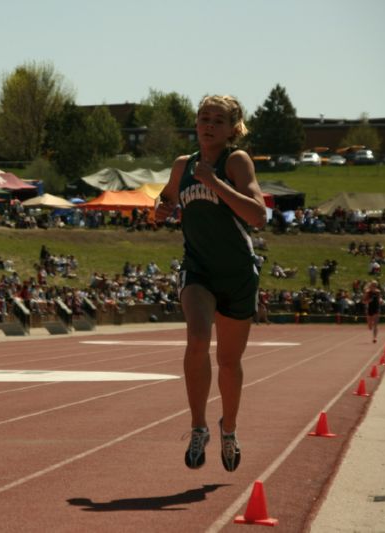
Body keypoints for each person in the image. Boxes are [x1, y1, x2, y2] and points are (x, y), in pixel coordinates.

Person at [154, 94, 266, 472]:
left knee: (229, 362)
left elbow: (258, 215)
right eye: (204, 118)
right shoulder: (182, 164)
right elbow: (166, 199)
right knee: (198, 338)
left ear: (233, 129)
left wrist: (215, 182)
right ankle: (198, 425)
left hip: (236, 274)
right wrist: (162, 209)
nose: (209, 125)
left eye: (218, 120)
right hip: (197, 268)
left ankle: (229, 429)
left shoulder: (236, 161)